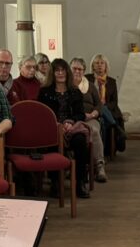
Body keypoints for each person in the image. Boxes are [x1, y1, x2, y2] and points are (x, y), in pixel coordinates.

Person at [38, 58, 91, 200]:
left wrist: (70, 122)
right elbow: (42, 114)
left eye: (63, 70)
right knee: (52, 143)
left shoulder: (75, 91)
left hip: (71, 127)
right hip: (52, 128)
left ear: (67, 72)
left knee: (80, 141)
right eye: (57, 70)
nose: (60, 73)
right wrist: (56, 125)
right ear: (52, 73)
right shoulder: (44, 92)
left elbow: (80, 113)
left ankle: (80, 182)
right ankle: (55, 182)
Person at [71, 57, 107, 183]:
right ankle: (77, 167)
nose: (77, 71)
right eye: (74, 68)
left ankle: (99, 166)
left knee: (94, 131)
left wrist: (92, 114)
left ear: (84, 71)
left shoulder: (90, 86)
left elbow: (99, 105)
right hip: (74, 118)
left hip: (90, 118)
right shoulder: (67, 86)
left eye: (80, 69)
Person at [87, 54, 126, 155]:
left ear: (106, 66)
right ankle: (116, 127)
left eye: (102, 63)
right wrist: (98, 107)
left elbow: (114, 102)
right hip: (92, 109)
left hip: (108, 110)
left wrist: (104, 107)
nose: (99, 65)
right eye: (97, 63)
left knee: (103, 119)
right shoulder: (87, 79)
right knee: (101, 112)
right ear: (93, 66)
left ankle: (103, 152)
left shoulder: (112, 81)